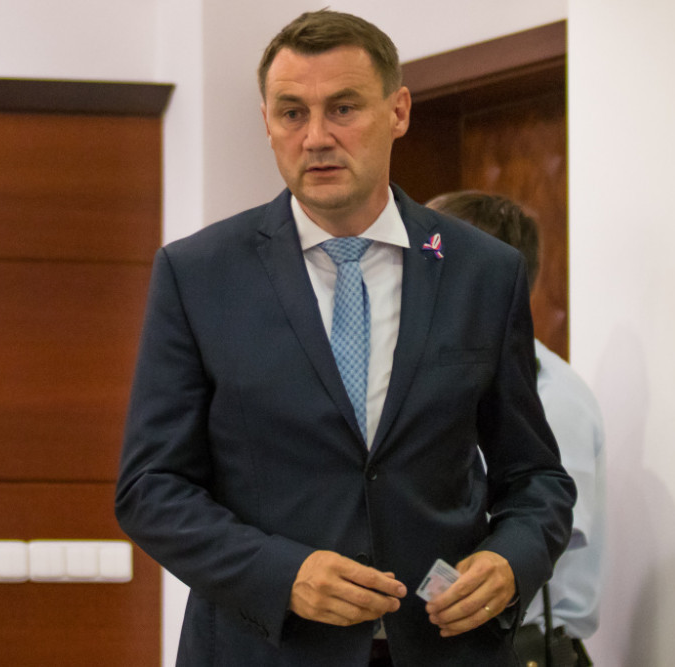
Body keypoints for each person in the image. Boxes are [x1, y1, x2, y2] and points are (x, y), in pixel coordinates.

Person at [115, 10, 575, 667]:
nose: (316, 137)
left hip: (446, 648)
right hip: (267, 648)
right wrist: (283, 574)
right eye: (292, 113)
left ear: (398, 111)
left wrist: (511, 559)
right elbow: (150, 488)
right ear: (267, 121)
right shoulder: (198, 275)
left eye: (343, 108)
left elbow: (535, 476)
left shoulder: (482, 272)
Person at [426, 190, 605, 667]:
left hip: (523, 649)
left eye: (433, 262)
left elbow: (542, 537)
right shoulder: (454, 377)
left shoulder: (552, 396)